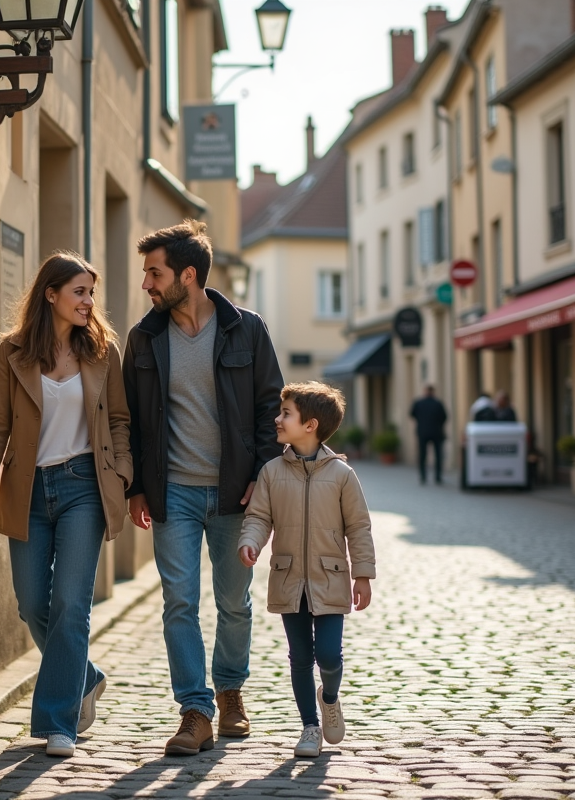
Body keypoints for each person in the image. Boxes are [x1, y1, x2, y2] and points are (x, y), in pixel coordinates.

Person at [123, 220, 284, 755]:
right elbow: (131, 420)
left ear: (186, 275)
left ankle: (231, 692)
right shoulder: (144, 337)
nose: (146, 283)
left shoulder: (247, 329)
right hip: (175, 493)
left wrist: (263, 474)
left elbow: (270, 408)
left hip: (236, 492)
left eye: (154, 272)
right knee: (179, 602)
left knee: (234, 602)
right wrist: (136, 488)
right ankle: (195, 710)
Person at [0, 252, 134, 758]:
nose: (88, 302)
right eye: (79, 292)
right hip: (29, 490)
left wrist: (121, 473)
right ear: (51, 294)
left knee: (70, 604)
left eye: (91, 293)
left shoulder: (103, 352)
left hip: (85, 484)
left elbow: (121, 420)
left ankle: (59, 723)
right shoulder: (13, 352)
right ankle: (84, 676)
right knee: (33, 602)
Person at [237, 381, 376, 758]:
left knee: (329, 655)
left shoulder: (342, 475)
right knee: (300, 657)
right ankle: (309, 727)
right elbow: (259, 516)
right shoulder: (270, 472)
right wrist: (250, 541)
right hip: (289, 578)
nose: (277, 419)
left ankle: (329, 697)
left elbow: (359, 527)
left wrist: (361, 574)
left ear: (310, 425)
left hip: (330, 578)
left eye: (286, 414)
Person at [409, 384, 448, 484]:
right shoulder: (438, 403)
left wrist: (421, 421)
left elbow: (412, 414)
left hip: (423, 432)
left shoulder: (419, 403)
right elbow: (444, 417)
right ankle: (438, 476)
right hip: (436, 432)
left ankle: (423, 476)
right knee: (438, 455)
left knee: (423, 455)